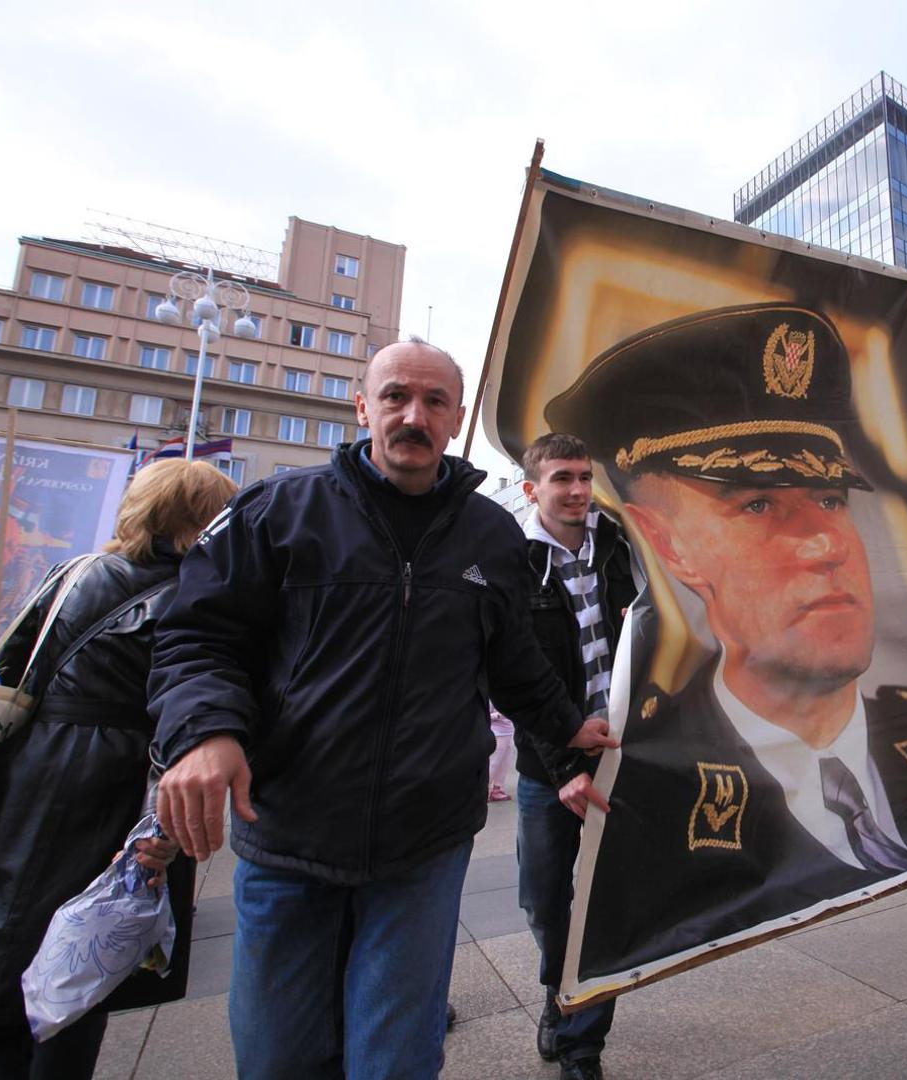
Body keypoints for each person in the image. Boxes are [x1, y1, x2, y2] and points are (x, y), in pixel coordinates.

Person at [545, 303, 907, 978]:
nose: (825, 542)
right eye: (758, 505)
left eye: (829, 499)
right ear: (668, 543)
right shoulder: (652, 784)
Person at [147, 338, 616, 1078]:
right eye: (395, 396)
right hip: (289, 835)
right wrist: (206, 732)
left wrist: (566, 727)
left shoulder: (490, 535)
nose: (412, 415)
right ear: (362, 406)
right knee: (279, 1055)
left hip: (423, 847)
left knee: (396, 1057)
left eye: (434, 402)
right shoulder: (280, 509)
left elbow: (516, 663)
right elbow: (197, 635)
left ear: (456, 419)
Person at [0, 459, 237, 1079]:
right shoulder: (187, 597)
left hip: (28, 762)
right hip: (109, 778)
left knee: (5, 926)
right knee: (86, 942)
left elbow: (9, 665)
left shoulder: (76, 571)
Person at [511, 433, 638, 1080]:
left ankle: (583, 1038)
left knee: (604, 901)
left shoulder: (616, 545)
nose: (579, 490)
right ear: (533, 488)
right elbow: (510, 675)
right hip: (547, 766)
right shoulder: (511, 559)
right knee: (542, 900)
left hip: (618, 755)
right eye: (563, 478)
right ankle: (558, 989)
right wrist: (561, 766)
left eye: (586, 477)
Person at [487, 707, 515, 801]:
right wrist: (498, 715)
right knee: (493, 764)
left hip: (509, 731)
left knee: (504, 763)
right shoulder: (491, 696)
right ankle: (484, 790)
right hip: (497, 733)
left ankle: (497, 789)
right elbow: (484, 715)